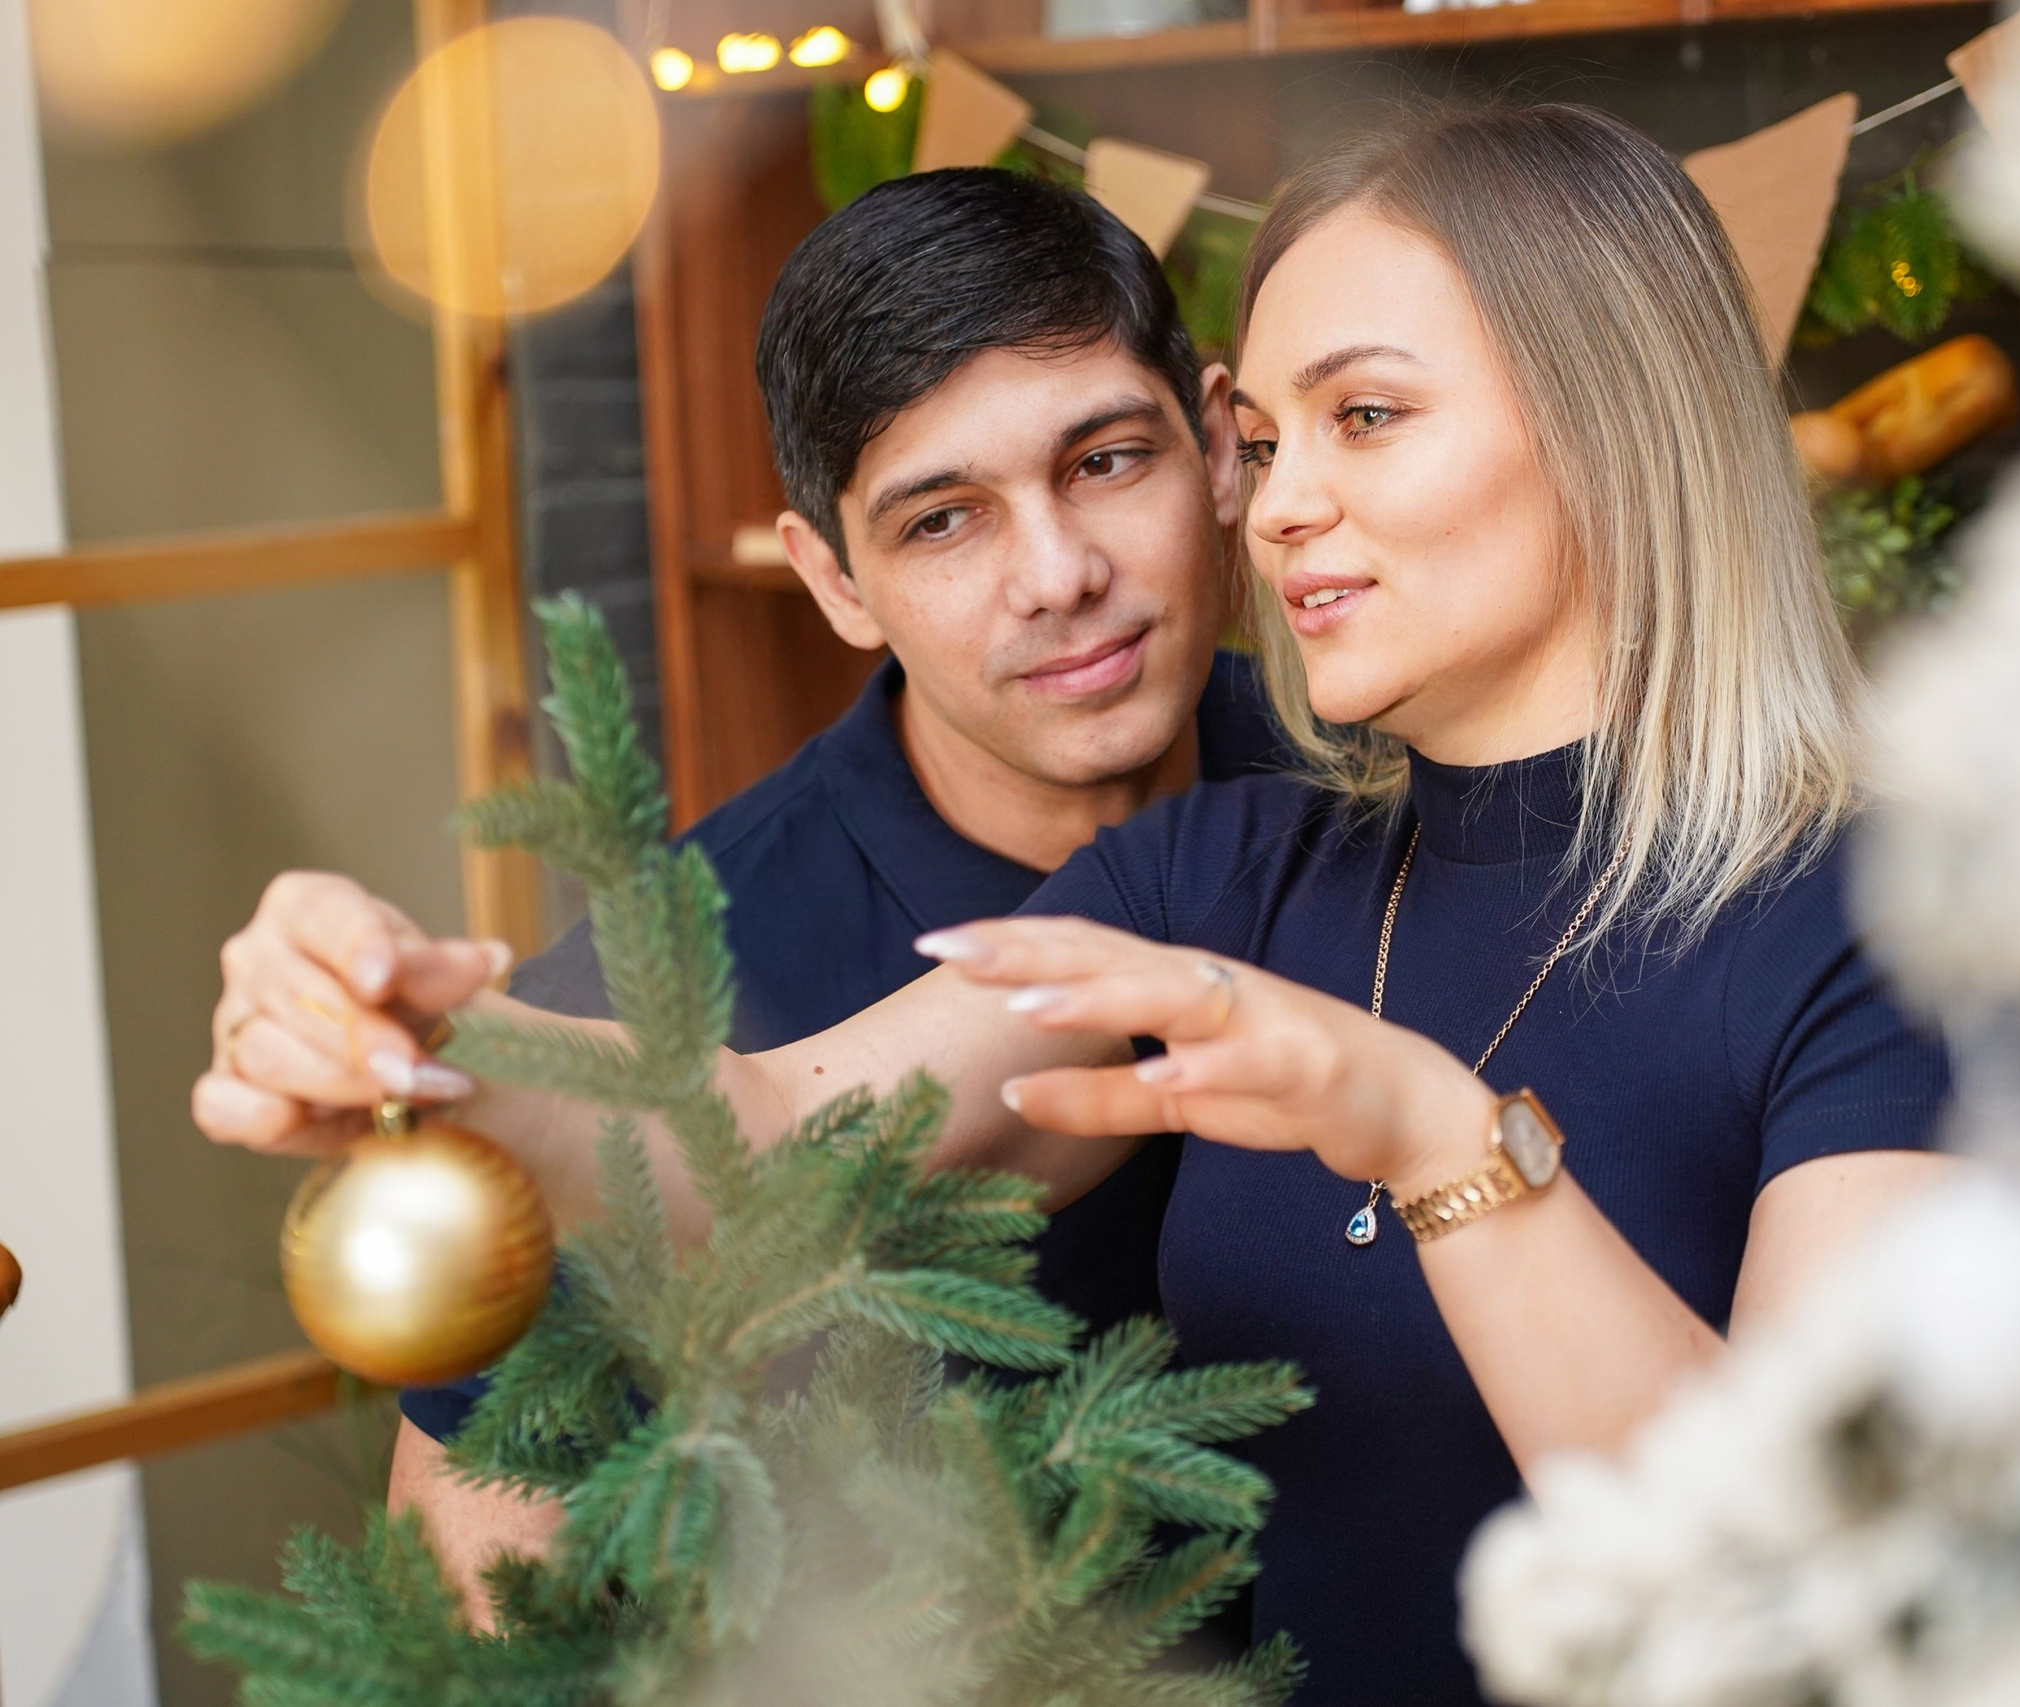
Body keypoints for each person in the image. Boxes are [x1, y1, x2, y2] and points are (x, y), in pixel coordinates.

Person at [199, 104, 1959, 1704]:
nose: (1281, 506)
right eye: (1271, 439)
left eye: (1362, 418)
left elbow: (1815, 1600)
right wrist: (430, 1048)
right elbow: (770, 1143)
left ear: (1615, 421)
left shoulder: (1907, 916)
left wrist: (1436, 1137)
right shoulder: (1219, 870)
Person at [205, 166, 1282, 1622]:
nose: (1059, 573)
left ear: (1216, 449)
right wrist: (423, 1048)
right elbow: (487, 1581)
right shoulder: (656, 990)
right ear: (833, 581)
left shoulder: (1370, 788)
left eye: (1104, 461)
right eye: (941, 522)